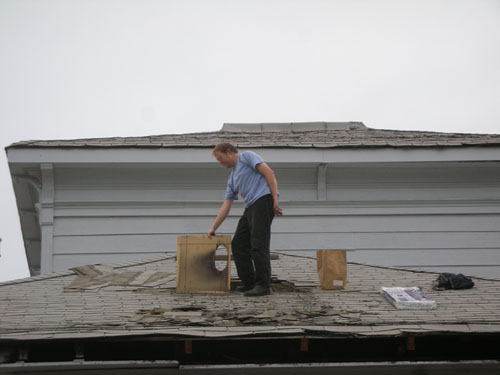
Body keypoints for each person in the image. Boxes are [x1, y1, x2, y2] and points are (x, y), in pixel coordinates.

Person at [207, 142, 282, 296]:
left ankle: (263, 285)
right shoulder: (232, 179)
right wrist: (213, 228)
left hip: (263, 199)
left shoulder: (246, 157)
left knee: (258, 242)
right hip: (250, 207)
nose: (220, 163)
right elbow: (226, 206)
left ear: (229, 152)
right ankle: (250, 283)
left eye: (220, 159)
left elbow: (269, 173)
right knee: (239, 244)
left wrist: (275, 199)